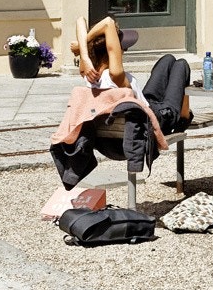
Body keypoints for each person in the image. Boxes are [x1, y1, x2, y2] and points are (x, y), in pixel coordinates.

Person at [51, 16, 169, 188]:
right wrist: (84, 46)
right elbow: (108, 22)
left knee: (167, 62)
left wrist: (84, 53)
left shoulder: (88, 74)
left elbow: (80, 20)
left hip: (128, 117)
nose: (123, 50)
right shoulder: (116, 75)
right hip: (147, 120)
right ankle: (183, 116)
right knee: (177, 65)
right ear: (112, 50)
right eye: (121, 47)